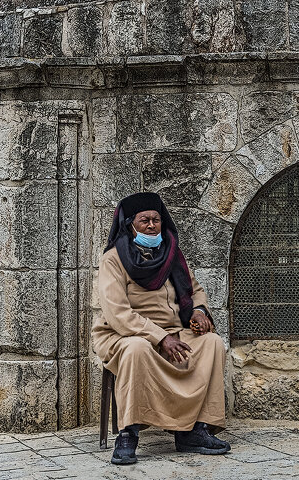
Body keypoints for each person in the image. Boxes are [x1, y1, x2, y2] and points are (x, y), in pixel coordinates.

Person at [92, 191, 230, 465]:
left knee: (211, 343)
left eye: (156, 220)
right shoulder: (113, 259)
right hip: (125, 334)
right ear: (131, 224)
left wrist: (200, 312)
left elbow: (195, 290)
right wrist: (160, 337)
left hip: (174, 331)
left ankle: (193, 430)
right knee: (137, 349)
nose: (152, 225)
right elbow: (118, 313)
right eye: (144, 220)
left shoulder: (172, 254)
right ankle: (128, 433)